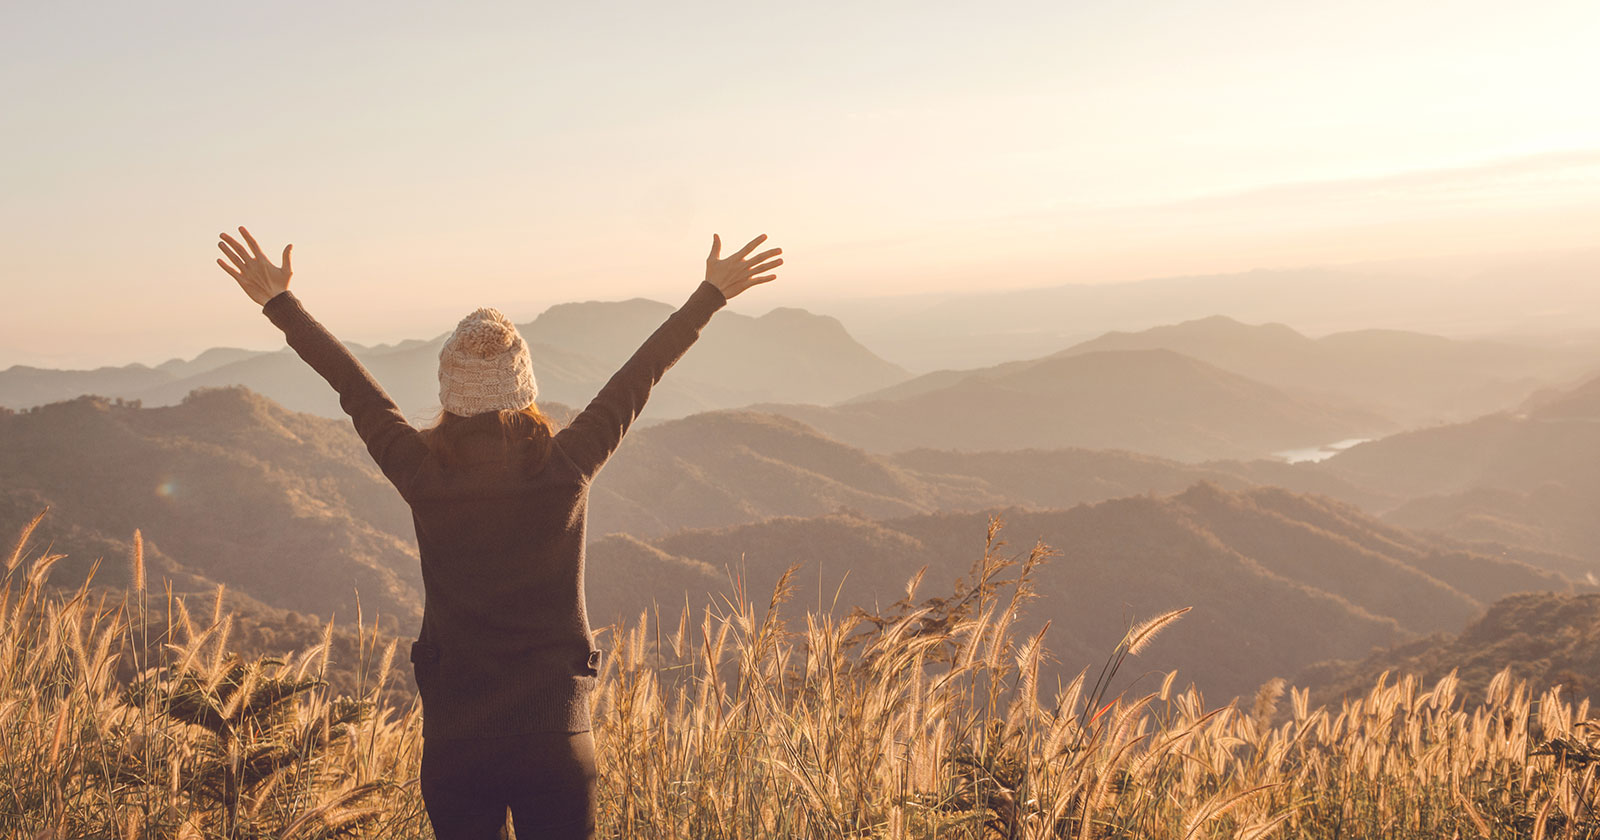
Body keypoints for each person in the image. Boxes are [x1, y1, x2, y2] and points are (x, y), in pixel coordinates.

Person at [214, 226, 783, 840]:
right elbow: (637, 379)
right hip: (557, 737)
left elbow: (357, 391)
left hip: (458, 742)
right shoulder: (566, 465)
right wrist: (710, 294)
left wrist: (281, 305)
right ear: (525, 384)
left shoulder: (423, 473)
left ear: (448, 391)